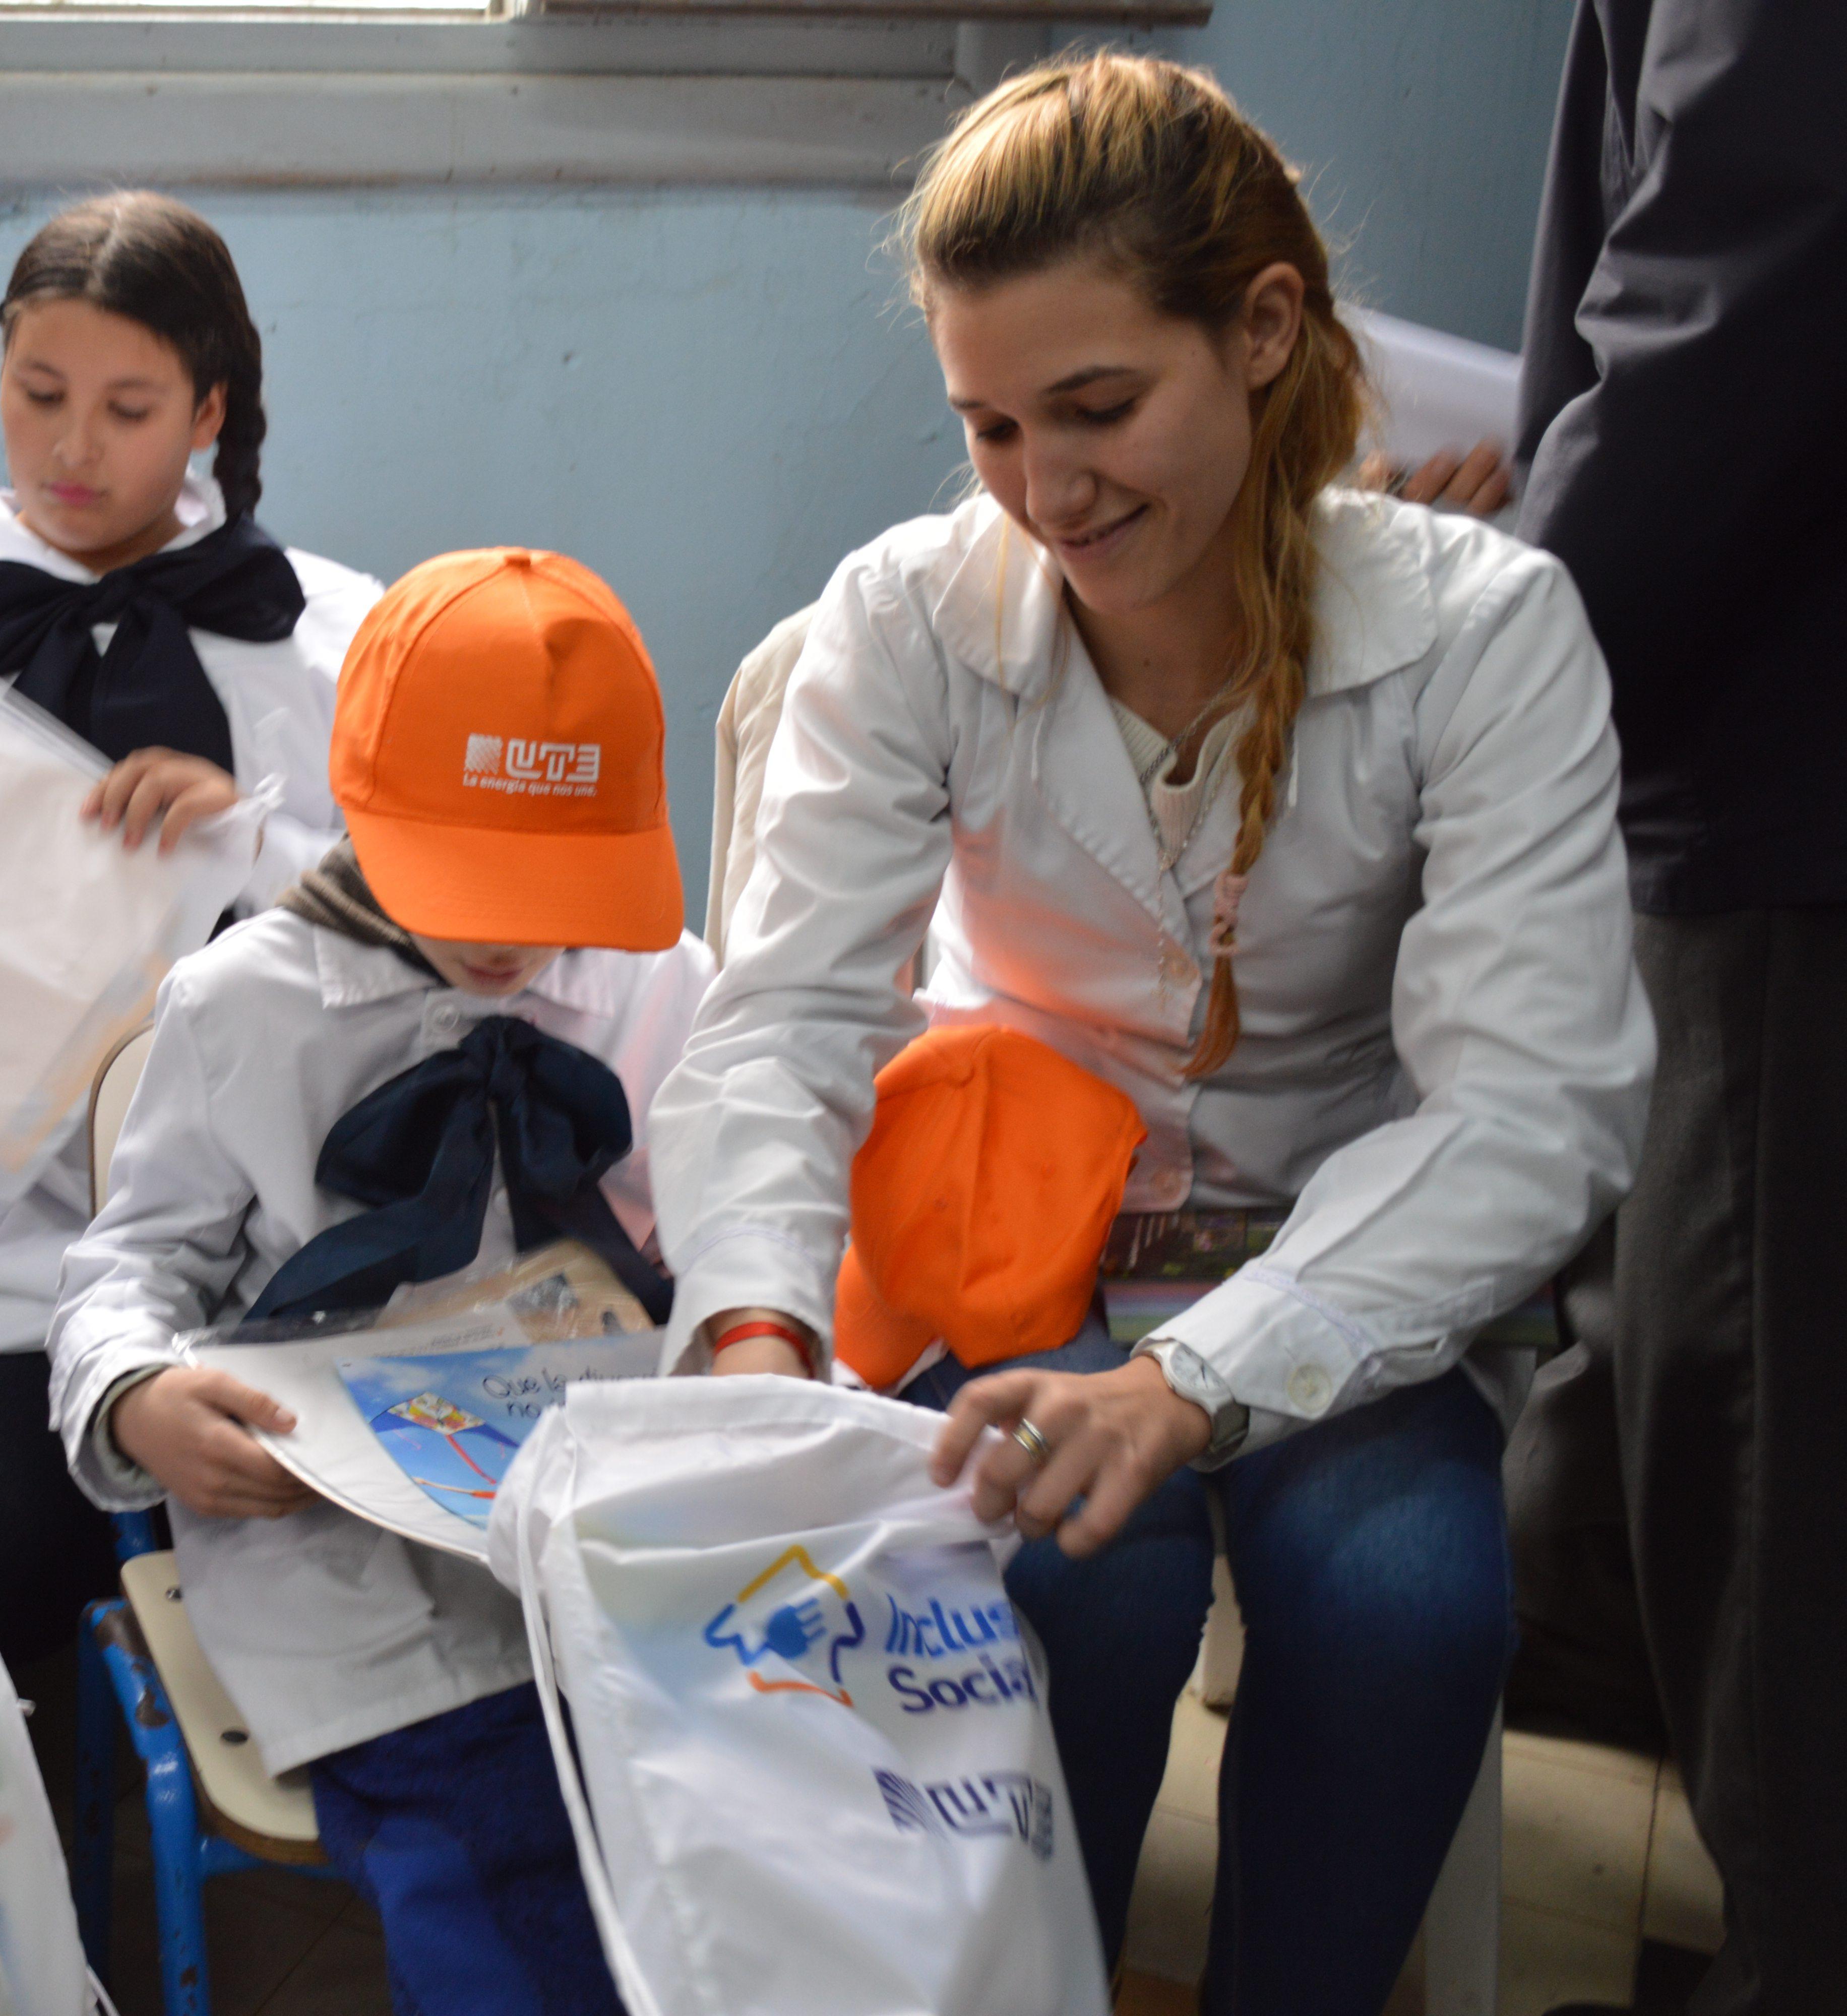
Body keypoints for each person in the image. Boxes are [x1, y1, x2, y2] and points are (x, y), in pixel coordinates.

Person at [646, 55, 1652, 2015]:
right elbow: (776, 1029)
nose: (1044, 487)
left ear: (1263, 328)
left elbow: (1529, 1109)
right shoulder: (913, 618)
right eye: (991, 424)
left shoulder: (1486, 632)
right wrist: (756, 1321)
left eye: (1098, 407)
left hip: (1343, 1263)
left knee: (1407, 1609)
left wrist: (1194, 1381)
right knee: (1052, 1590)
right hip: (1017, 1249)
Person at [50, 548, 710, 2016]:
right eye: (465, 874)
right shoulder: (245, 1003)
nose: (503, 932)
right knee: (488, 1852)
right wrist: (140, 1397)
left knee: (727, 1812)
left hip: (606, 1512)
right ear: (355, 800)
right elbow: (131, 1264)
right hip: (336, 1533)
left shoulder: (661, 986)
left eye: (552, 884)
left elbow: (731, 1236)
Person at [0, 193, 383, 1668]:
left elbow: (444, 931)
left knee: (337, 1542)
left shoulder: (334, 636)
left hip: (270, 1238)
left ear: (209, 410)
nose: (72, 450)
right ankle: (33, 1886)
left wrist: (259, 845)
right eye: (37, 394)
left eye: (128, 409)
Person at [1514, 5, 1847, 2009]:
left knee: (1773, 1454)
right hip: (1749, 743)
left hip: (1786, 759)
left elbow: (1737, 260)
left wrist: (1506, 659)